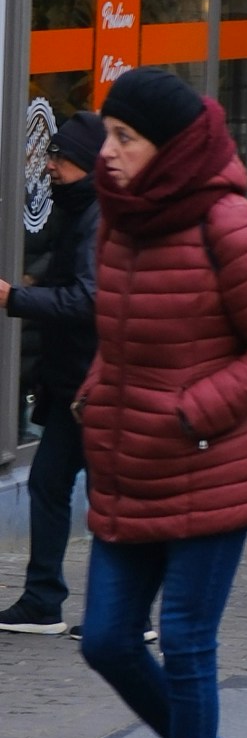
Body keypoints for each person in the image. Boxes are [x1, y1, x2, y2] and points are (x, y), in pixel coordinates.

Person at [75, 67, 247, 738]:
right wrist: (96, 389)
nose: (107, 152)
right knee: (107, 639)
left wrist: (192, 409)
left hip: (210, 464)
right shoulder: (120, 214)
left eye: (125, 137)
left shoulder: (228, 221)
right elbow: (121, 332)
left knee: (184, 639)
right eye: (107, 133)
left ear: (169, 147)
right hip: (130, 462)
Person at [0, 111, 105, 631]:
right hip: (73, 382)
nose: (50, 165)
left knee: (109, 498)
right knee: (48, 481)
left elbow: (89, 298)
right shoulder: (80, 212)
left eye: (60, 157)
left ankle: (118, 610)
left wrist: (19, 298)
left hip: (95, 385)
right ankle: (44, 600)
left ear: (85, 164)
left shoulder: (96, 216)